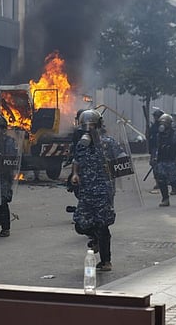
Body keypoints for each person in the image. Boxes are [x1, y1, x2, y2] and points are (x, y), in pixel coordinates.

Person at [70, 109, 120, 272]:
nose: (88, 128)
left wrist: (114, 171)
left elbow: (121, 159)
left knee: (102, 224)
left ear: (98, 125)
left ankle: (106, 261)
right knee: (80, 224)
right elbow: (76, 160)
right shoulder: (82, 144)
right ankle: (96, 238)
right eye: (85, 125)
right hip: (86, 191)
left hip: (103, 190)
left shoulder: (108, 143)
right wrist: (75, 174)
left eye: (91, 125)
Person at [151, 113, 176, 207]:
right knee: (161, 179)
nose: (163, 125)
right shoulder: (159, 135)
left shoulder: (175, 134)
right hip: (162, 160)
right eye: (161, 123)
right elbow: (156, 147)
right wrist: (154, 157)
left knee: (172, 180)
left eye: (165, 122)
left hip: (172, 160)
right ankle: (165, 199)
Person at [148, 108, 164, 190]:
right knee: (154, 165)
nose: (156, 118)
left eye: (157, 116)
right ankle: (157, 182)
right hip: (154, 148)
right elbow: (150, 138)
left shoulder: (164, 126)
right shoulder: (153, 126)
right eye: (155, 116)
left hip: (163, 149)